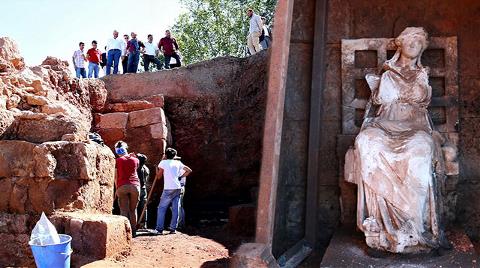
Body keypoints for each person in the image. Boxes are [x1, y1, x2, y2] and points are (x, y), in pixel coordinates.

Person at [348, 27, 449, 253]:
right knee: (367, 141)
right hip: (385, 123)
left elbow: (421, 110)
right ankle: (381, 223)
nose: (414, 43)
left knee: (421, 147)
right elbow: (376, 109)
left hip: (415, 126)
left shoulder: (423, 74)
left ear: (423, 47)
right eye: (410, 39)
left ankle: (413, 227)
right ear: (400, 43)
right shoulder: (388, 73)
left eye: (419, 41)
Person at [155, 148, 192, 234]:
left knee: (161, 208)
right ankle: (173, 228)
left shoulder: (163, 163)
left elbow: (159, 177)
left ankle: (159, 229)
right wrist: (180, 176)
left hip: (168, 188)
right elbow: (189, 170)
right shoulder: (178, 163)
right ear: (174, 155)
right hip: (177, 187)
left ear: (166, 155)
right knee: (176, 208)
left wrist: (156, 168)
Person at [114, 141, 140, 237]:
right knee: (133, 210)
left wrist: (116, 189)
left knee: (124, 210)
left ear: (117, 151)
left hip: (122, 185)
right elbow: (136, 169)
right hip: (135, 185)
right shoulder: (135, 160)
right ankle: (133, 231)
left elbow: (116, 176)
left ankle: (124, 232)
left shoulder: (117, 161)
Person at [136, 153, 150, 229]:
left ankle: (134, 223)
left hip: (137, 188)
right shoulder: (146, 168)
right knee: (143, 207)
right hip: (143, 189)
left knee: (133, 206)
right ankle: (143, 224)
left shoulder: (137, 168)